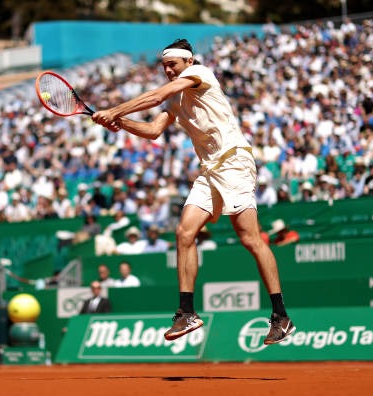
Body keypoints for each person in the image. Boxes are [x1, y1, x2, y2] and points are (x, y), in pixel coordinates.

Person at [92, 38, 294, 344]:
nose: (168, 71)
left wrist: (115, 109)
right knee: (184, 233)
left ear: (189, 62)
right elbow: (153, 130)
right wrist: (119, 121)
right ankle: (186, 311)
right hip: (210, 170)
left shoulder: (201, 74)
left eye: (172, 64)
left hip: (235, 162)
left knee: (250, 238)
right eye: (164, 66)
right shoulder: (176, 100)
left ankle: (281, 316)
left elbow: (158, 95)